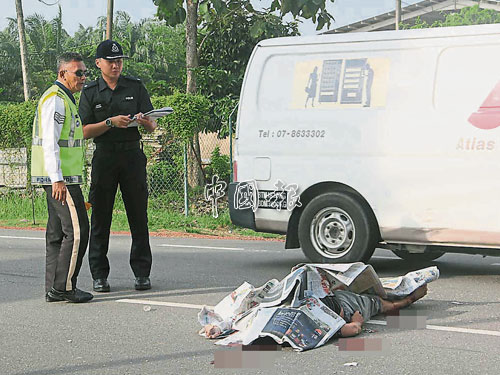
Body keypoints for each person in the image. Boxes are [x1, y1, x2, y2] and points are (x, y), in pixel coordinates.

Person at [78, 40, 157, 293]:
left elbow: (153, 124)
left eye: (119, 61)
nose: (116, 65)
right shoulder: (90, 92)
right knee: (101, 217)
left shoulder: (135, 86)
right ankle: (99, 275)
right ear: (99, 63)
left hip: (132, 156)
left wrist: (144, 121)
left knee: (138, 216)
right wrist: (110, 123)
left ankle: (142, 273)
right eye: (111, 61)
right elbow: (84, 130)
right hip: (105, 158)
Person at [31, 52, 93, 303]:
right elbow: (50, 142)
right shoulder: (56, 100)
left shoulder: (64, 100)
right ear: (62, 74)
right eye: (78, 73)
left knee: (57, 234)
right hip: (61, 181)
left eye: (84, 73)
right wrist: (57, 178)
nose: (82, 77)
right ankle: (64, 287)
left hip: (60, 178)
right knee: (78, 232)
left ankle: (53, 288)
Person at [201, 284, 428, 339]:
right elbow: (350, 329)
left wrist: (219, 326)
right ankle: (406, 299)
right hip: (345, 307)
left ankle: (398, 292)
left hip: (326, 294)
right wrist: (357, 322)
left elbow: (244, 315)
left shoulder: (274, 308)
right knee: (382, 303)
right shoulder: (312, 326)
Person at [320, 284, 428, 337]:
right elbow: (353, 329)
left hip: (334, 296)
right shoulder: (320, 326)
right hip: (348, 307)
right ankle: (405, 300)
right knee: (377, 302)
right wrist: (357, 321)